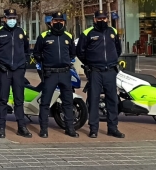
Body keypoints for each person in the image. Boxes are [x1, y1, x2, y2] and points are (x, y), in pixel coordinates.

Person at [77, 11, 125, 139]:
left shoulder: (112, 31)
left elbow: (118, 49)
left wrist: (112, 60)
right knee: (94, 100)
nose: (102, 20)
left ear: (107, 19)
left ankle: (113, 128)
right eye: (99, 18)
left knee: (112, 100)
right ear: (94, 19)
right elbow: (80, 52)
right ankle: (93, 129)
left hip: (110, 71)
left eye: (104, 18)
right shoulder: (87, 33)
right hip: (95, 71)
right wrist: (89, 64)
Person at [33, 12, 78, 138]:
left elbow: (72, 53)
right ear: (51, 22)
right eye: (56, 21)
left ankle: (70, 128)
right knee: (45, 102)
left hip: (65, 73)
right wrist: (44, 60)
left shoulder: (68, 36)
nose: (58, 24)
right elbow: (36, 53)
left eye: (60, 21)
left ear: (64, 22)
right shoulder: (44, 36)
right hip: (50, 73)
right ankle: (44, 129)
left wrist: (66, 61)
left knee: (68, 102)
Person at [0, 8, 31, 139]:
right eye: (10, 18)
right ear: (4, 19)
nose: (12, 20)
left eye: (14, 18)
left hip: (18, 70)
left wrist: (24, 62)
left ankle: (21, 127)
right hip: (4, 70)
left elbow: (26, 48)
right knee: (3, 100)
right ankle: (1, 127)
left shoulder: (21, 32)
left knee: (19, 100)